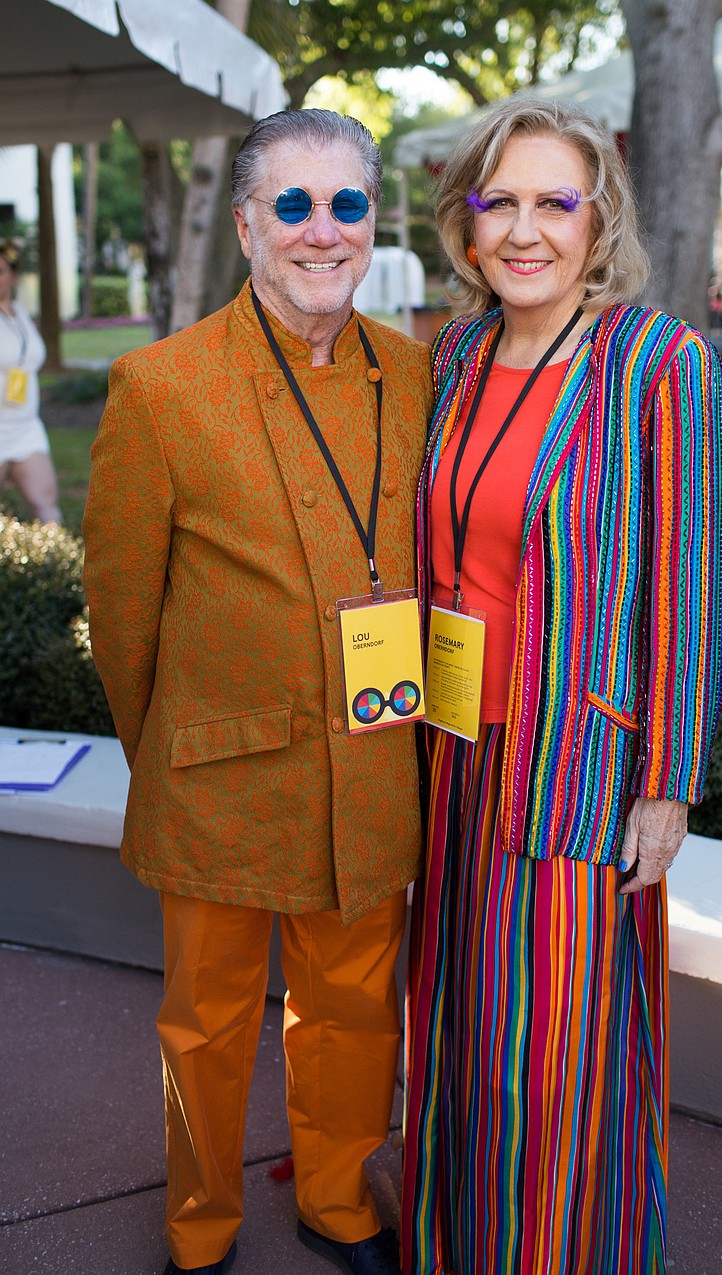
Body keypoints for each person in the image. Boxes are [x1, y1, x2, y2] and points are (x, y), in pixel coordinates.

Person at [82, 109, 433, 1275]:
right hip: (216, 773)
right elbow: (123, 613)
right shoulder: (158, 385)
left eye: (345, 204)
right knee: (206, 1024)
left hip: (374, 757)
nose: (321, 231)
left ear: (370, 224)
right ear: (245, 226)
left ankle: (337, 1201)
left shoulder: (421, 376)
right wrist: (166, 750)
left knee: (355, 1012)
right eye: (293, 204)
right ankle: (199, 1226)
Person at [401, 99, 722, 1275]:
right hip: (446, 748)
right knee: (451, 1028)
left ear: (600, 220)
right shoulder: (454, 354)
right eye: (498, 202)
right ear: (465, 222)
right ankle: (454, 1247)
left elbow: (687, 583)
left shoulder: (655, 362)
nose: (524, 230)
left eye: (554, 201)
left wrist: (668, 785)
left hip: (573, 763)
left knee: (547, 1057)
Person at [0, 239, 61, 523]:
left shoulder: (20, 313)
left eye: (1, 271)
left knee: (47, 505)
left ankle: (56, 552)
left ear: (13, 276)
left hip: (26, 427)